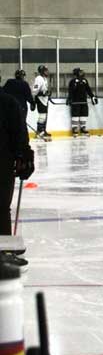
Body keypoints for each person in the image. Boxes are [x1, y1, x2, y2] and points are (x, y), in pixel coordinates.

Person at [0, 86, 34, 267]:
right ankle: (3, 250)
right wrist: (24, 155)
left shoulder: (8, 102)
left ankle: (4, 246)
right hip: (2, 162)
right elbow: (19, 134)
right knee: (1, 207)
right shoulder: (7, 102)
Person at [67, 68, 97, 136]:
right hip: (76, 101)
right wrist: (69, 98)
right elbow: (70, 91)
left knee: (84, 114)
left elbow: (88, 89)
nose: (82, 73)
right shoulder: (73, 81)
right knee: (75, 114)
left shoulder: (84, 80)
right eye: (80, 72)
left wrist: (92, 96)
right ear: (76, 73)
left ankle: (83, 128)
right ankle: (75, 128)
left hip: (84, 101)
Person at [32, 65, 51, 139]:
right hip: (40, 100)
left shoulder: (45, 79)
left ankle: (43, 130)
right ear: (42, 71)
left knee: (44, 116)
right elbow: (34, 91)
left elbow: (44, 90)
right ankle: (39, 132)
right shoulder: (38, 79)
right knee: (42, 116)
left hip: (44, 100)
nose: (47, 72)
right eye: (46, 70)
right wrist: (43, 93)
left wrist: (48, 93)